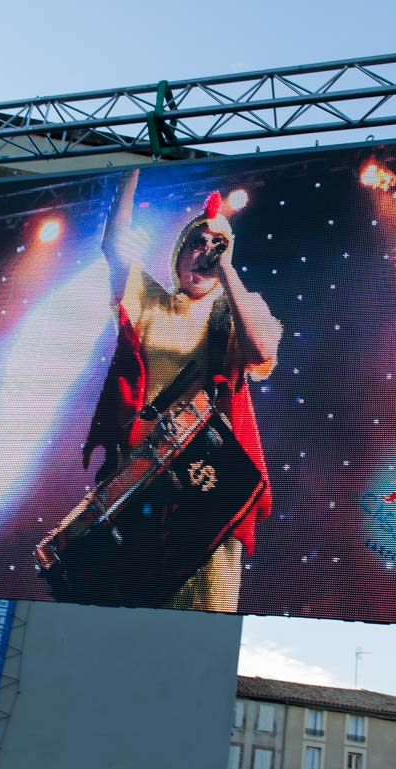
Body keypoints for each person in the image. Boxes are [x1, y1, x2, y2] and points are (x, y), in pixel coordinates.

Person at [82, 168, 283, 612]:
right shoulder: (150, 300)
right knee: (129, 612)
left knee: (200, 615)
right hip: (141, 480)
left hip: (205, 486)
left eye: (218, 246)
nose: (206, 253)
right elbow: (112, 247)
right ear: (179, 252)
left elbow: (259, 347)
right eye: (198, 242)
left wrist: (227, 270)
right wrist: (131, 168)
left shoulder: (239, 309)